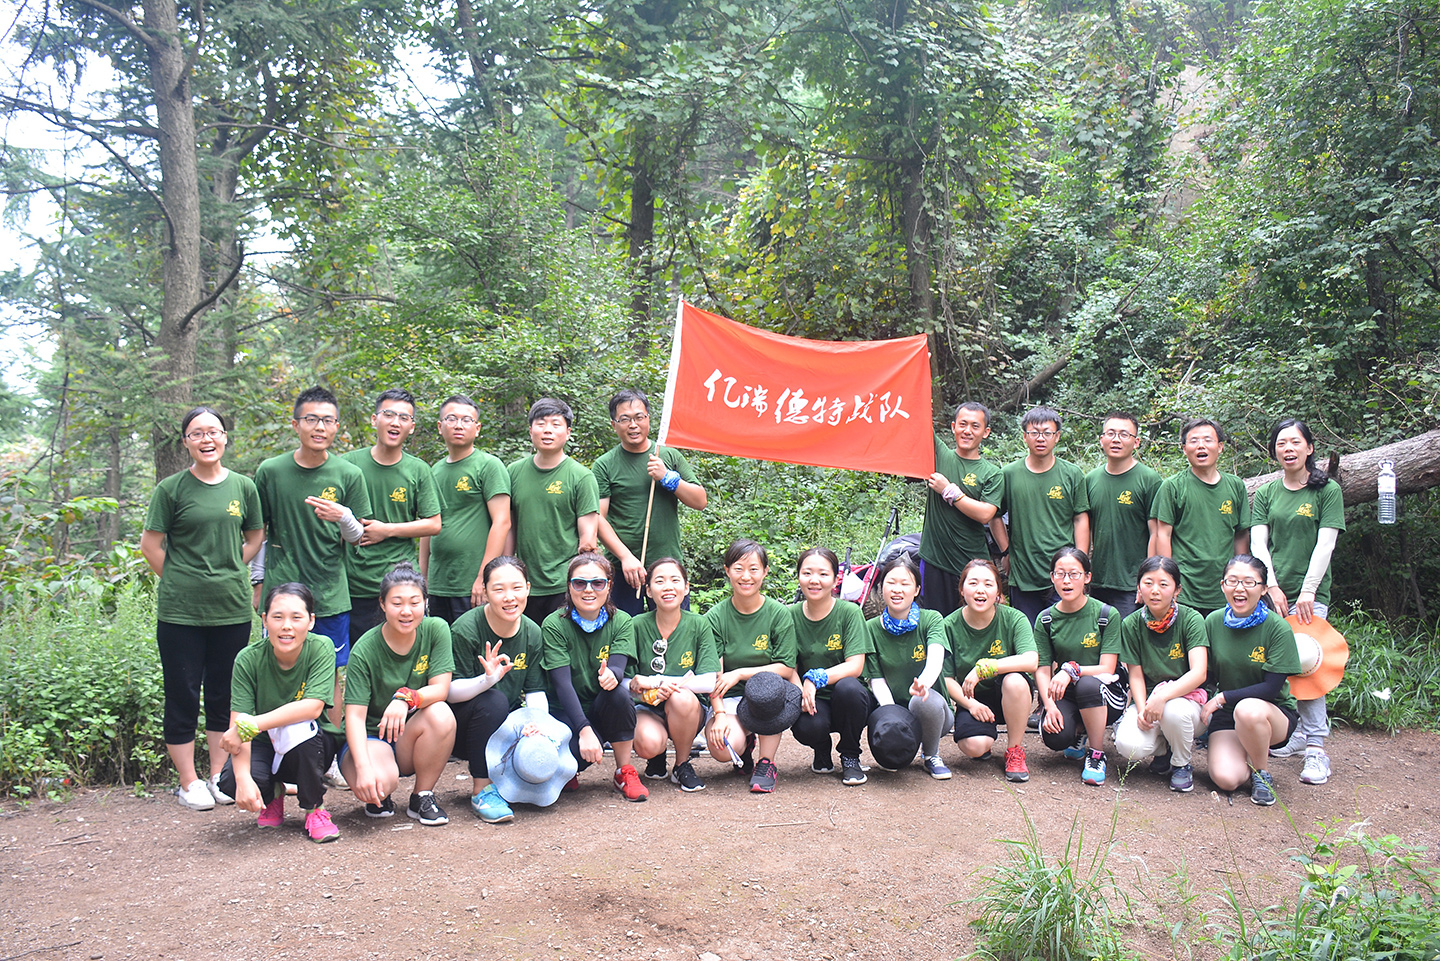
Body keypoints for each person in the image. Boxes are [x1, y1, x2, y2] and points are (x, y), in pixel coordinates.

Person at [140, 406, 264, 810]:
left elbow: (255, 535)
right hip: (181, 613)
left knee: (225, 694)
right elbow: (150, 545)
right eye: (197, 433)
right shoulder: (171, 489)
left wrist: (229, 568)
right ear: (186, 443)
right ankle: (187, 781)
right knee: (183, 693)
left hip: (231, 609)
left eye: (214, 431)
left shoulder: (244, 486)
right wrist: (181, 578)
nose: (207, 439)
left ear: (225, 437)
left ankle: (217, 774)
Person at [253, 386, 371, 731]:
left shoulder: (348, 474)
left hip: (330, 592)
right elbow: (259, 531)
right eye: (311, 419)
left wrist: (344, 516)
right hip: (281, 591)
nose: (320, 427)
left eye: (328, 420)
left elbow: (359, 537)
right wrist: (258, 583)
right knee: (277, 669)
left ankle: (329, 749)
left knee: (330, 673)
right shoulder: (271, 471)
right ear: (296, 424)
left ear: (337, 427)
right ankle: (275, 748)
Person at [1250, 418, 1346, 785]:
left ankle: (1317, 748)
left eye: (1295, 442)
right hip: (1272, 593)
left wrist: (1308, 590)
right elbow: (1259, 543)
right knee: (1275, 665)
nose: (1288, 449)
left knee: (1308, 665)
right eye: (1281, 443)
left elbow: (1326, 543)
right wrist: (1271, 586)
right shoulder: (1268, 492)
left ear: (1309, 448)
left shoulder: (1327, 490)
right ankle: (1297, 731)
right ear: (1274, 451)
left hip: (1310, 595)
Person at [216, 582, 341, 842]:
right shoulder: (248, 659)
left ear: (311, 621)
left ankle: (314, 809)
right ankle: (272, 794)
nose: (286, 626)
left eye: (296, 617)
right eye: (277, 617)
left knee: (299, 727)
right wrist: (243, 778)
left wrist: (251, 725)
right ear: (264, 620)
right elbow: (238, 725)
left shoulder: (321, 648)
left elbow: (313, 707)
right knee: (231, 780)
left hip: (312, 743)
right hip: (264, 744)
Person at [341, 563, 457, 825]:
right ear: (382, 604)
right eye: (397, 603)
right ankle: (379, 788)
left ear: (425, 603)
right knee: (380, 783)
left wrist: (405, 698)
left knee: (441, 713)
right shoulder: (365, 649)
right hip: (371, 737)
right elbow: (355, 717)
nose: (406, 611)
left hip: (408, 736)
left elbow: (441, 689)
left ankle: (422, 795)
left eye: (415, 602)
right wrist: (363, 768)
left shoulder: (436, 629)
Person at [446, 556, 547, 823]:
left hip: (504, 725)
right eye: (499, 589)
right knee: (494, 700)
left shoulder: (532, 633)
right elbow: (449, 692)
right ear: (485, 591)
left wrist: (536, 724)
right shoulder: (465, 629)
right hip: (463, 730)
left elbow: (535, 691)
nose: (509, 597)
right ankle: (482, 790)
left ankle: (509, 780)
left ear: (528, 588)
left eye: (516, 588)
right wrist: (486, 680)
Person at [541, 552, 647, 801]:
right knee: (566, 761)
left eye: (597, 583)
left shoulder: (621, 621)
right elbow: (562, 684)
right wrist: (583, 729)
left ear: (609, 586)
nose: (588, 590)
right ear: (569, 586)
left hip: (602, 708)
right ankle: (569, 769)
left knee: (619, 694)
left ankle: (624, 771)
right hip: (565, 713)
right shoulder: (554, 624)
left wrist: (612, 675)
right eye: (580, 583)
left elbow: (618, 667)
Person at [342, 389, 441, 649]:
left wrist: (387, 530)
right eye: (388, 415)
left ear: (412, 426)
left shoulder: (418, 469)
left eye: (403, 417)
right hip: (355, 584)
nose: (395, 422)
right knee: (360, 657)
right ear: (374, 420)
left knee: (406, 656)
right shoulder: (349, 464)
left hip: (402, 584)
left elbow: (434, 523)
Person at [593, 389, 707, 615]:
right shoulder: (605, 465)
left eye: (639, 417)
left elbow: (700, 500)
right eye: (625, 419)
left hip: (667, 565)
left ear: (648, 419)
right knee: (623, 628)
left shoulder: (668, 456)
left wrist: (669, 479)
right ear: (614, 425)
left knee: (674, 629)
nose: (633, 425)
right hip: (623, 568)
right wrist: (625, 557)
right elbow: (597, 518)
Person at [1200, 555, 1302, 806]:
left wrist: (1222, 697)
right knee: (1226, 779)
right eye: (1232, 581)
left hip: (1270, 713)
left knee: (1247, 709)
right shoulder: (1213, 622)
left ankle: (1261, 772)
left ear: (1264, 589)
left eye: (1249, 582)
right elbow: (1207, 675)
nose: (1239, 588)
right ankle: (1245, 749)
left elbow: (1271, 688)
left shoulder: (1278, 628)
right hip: (1228, 714)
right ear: (1223, 585)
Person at [705, 538, 798, 794]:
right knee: (722, 748)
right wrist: (719, 715)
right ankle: (745, 743)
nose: (746, 576)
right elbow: (714, 674)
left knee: (766, 692)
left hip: (768, 697)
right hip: (730, 696)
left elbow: (786, 667)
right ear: (727, 570)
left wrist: (740, 673)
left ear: (765, 572)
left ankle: (766, 762)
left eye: (754, 569)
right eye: (738, 569)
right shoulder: (715, 617)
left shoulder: (778, 614)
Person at [1113, 556, 1209, 792]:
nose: (1155, 590)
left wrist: (1162, 697)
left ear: (1177, 590)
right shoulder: (1131, 623)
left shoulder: (1192, 619)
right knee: (1127, 746)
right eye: (1148, 583)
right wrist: (1142, 709)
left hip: (1187, 702)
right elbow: (1135, 674)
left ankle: (1181, 764)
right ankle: (1166, 749)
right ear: (1139, 587)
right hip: (1150, 700)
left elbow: (1199, 673)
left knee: (1174, 712)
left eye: (1163, 584)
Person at [1033, 548, 1127, 786]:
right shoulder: (1046, 619)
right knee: (1055, 738)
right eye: (1060, 574)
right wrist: (1049, 706)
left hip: (1105, 693)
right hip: (1066, 693)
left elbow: (1107, 667)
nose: (1067, 581)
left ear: (1087, 577)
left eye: (1074, 574)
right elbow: (1042, 669)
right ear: (1052, 577)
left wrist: (1071, 670)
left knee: (1086, 684)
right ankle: (1080, 731)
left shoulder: (1106, 614)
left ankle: (1096, 753)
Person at [943, 559, 1039, 782]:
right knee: (974, 746)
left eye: (988, 584)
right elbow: (946, 678)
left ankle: (1014, 750)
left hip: (1010, 694)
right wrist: (971, 705)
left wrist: (985, 668)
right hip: (973, 698)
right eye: (973, 583)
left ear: (997, 592)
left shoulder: (1014, 618)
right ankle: (984, 736)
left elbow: (1031, 660)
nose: (980, 590)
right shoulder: (949, 625)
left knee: (1015, 681)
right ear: (962, 589)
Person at [506, 399, 600, 624]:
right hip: (524, 584)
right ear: (530, 430)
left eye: (555, 424)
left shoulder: (581, 477)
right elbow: (509, 527)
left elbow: (588, 536)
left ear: (568, 433)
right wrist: (507, 570)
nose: (547, 430)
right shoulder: (513, 472)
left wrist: (581, 582)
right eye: (541, 423)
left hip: (564, 584)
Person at [420, 394, 511, 625]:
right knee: (440, 643)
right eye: (451, 419)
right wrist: (423, 577)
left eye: (466, 420)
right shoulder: (434, 471)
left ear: (477, 428)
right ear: (440, 426)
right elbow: (427, 525)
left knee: (473, 643)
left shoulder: (489, 466)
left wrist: (483, 577)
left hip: (471, 584)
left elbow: (502, 522)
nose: (459, 425)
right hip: (439, 583)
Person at [628, 558, 718, 792]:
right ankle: (655, 756)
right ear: (648, 590)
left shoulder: (699, 624)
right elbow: (627, 680)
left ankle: (681, 764)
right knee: (648, 744)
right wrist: (645, 690)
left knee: (681, 697)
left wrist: (658, 682)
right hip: (648, 707)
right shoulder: (636, 625)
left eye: (675, 580)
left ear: (686, 588)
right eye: (659, 581)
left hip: (687, 709)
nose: (668, 587)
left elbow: (708, 681)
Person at [999, 406, 1091, 626]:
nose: (1040, 438)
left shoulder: (1072, 474)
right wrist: (1006, 550)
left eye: (1047, 433)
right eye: (1034, 432)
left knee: (1065, 633)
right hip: (1024, 571)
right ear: (1024, 436)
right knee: (1029, 635)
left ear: (1057, 436)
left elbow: (1080, 518)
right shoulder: (1009, 474)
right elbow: (994, 515)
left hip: (1064, 572)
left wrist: (1081, 561)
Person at [863, 556, 952, 779]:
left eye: (905, 583)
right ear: (881, 588)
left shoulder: (931, 619)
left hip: (934, 713)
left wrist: (924, 683)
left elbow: (936, 657)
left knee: (923, 700)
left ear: (917, 590)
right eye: (891, 582)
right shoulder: (870, 628)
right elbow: (876, 679)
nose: (897, 589)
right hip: (895, 712)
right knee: (893, 762)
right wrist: (894, 717)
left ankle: (931, 755)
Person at [789, 547, 872, 786]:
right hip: (813, 700)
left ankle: (850, 755)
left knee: (849, 688)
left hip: (847, 699)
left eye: (823, 574)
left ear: (836, 580)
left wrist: (814, 678)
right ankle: (821, 747)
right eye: (807, 573)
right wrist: (801, 692)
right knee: (807, 727)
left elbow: (855, 666)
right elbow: (789, 666)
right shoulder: (789, 615)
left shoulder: (849, 612)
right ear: (799, 577)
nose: (814, 580)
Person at [1153, 418, 1250, 614]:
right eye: (1194, 441)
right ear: (1184, 448)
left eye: (1208, 440)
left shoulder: (1235, 486)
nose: (1201, 446)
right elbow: (1163, 535)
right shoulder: (1173, 486)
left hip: (1224, 588)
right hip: (1185, 589)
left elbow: (1241, 534)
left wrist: (1240, 578)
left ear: (1220, 447)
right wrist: (1167, 582)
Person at [919, 402, 1003, 617]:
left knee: (975, 623)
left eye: (975, 426)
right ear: (953, 427)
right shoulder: (940, 455)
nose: (967, 431)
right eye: (963, 424)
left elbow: (985, 514)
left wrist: (949, 491)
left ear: (986, 432)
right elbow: (918, 420)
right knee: (935, 622)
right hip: (935, 560)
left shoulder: (992, 473)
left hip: (972, 564)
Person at [1085, 411, 1161, 618]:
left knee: (1127, 635)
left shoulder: (1149, 479)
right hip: (1098, 581)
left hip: (1131, 583)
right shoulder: (1091, 479)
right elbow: (1086, 529)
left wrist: (1148, 580)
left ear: (1136, 442)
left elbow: (1156, 533)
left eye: (1124, 434)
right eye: (1111, 433)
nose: (1116, 439)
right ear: (1102, 439)